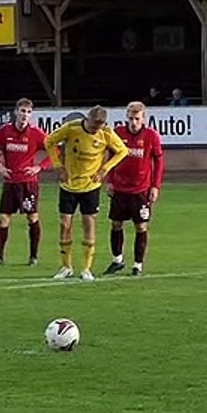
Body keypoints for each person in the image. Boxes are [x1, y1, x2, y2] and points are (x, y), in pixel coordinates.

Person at [43, 105, 129, 281]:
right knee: (65, 225)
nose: (94, 130)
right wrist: (58, 165)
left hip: (90, 186)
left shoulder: (106, 133)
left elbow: (122, 151)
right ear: (87, 119)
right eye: (92, 127)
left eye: (97, 127)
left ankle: (86, 268)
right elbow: (49, 141)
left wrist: (105, 169)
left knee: (88, 225)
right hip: (69, 185)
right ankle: (66, 266)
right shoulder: (72, 128)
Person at [0, 98, 50, 266]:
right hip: (10, 182)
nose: (25, 115)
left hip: (28, 184)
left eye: (28, 112)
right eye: (22, 111)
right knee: (3, 219)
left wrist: (39, 167)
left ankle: (33, 256)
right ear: (16, 112)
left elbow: (54, 150)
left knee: (32, 218)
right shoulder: (5, 131)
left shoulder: (36, 133)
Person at [105, 101, 165, 276]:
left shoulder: (151, 136)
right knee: (116, 224)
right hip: (120, 188)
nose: (133, 122)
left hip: (141, 190)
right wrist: (110, 180)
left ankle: (138, 265)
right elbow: (111, 156)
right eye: (131, 118)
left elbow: (159, 161)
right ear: (126, 117)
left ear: (144, 119)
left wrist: (155, 186)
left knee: (141, 227)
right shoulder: (118, 133)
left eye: (137, 119)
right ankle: (117, 260)